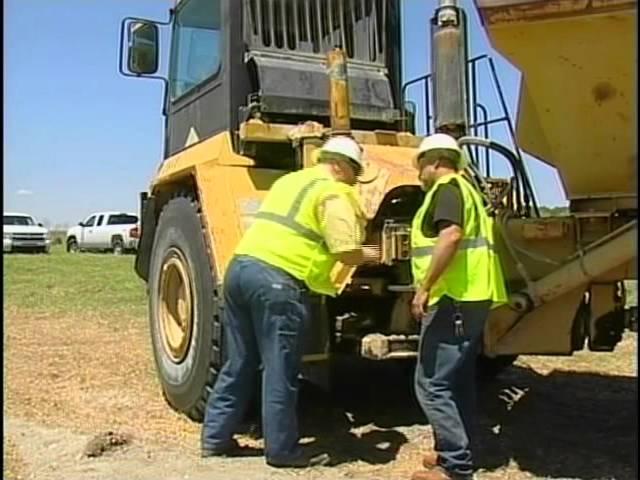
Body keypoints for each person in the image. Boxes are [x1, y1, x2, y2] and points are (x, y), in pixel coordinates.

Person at [201, 136, 380, 468]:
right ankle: (282, 451)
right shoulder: (335, 191)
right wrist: (375, 252)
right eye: (355, 172)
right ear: (341, 167)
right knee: (280, 368)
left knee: (240, 361)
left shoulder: (291, 181)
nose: (356, 180)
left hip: (240, 270)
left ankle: (215, 439)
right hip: (277, 283)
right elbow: (344, 249)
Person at [408, 133, 508, 480]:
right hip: (472, 295)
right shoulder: (468, 190)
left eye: (420, 165)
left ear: (434, 162)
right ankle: (454, 451)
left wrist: (424, 287)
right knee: (458, 379)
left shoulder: (446, 189)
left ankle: (456, 467)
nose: (419, 173)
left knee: (432, 383)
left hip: (453, 297)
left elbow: (450, 236)